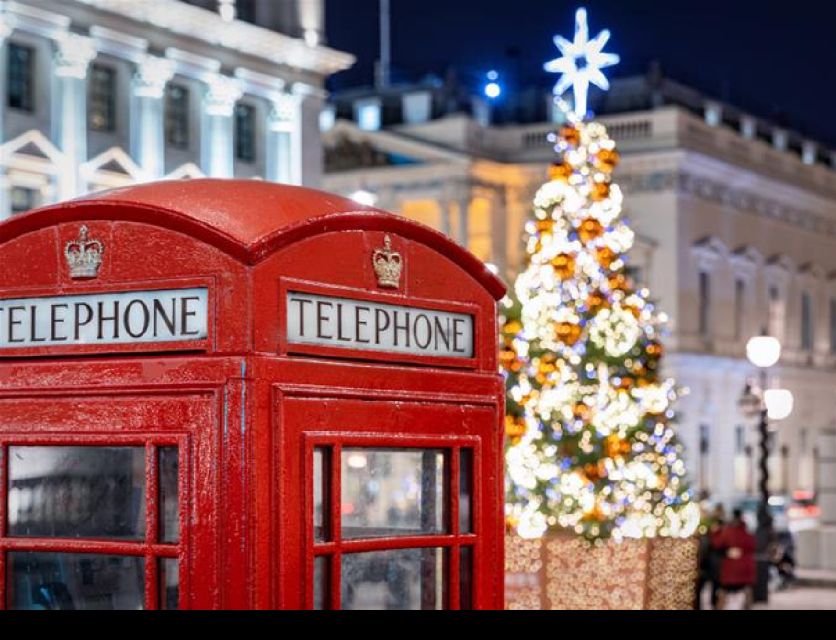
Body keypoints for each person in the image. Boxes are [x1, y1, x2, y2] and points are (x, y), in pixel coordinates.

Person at [711, 508, 757, 609]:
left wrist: (715, 532)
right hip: (746, 570)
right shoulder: (747, 531)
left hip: (731, 571)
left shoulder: (727, 531)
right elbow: (753, 545)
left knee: (723, 594)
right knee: (746, 593)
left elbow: (717, 543)